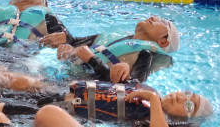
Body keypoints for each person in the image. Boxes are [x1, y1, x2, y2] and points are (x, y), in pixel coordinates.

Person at [0, 81, 213, 127]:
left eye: (189, 106)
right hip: (64, 95)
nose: (182, 98)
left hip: (65, 112)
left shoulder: (162, 121)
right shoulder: (149, 89)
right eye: (188, 94)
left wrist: (156, 103)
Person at [44, 15, 180, 83]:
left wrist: (93, 60)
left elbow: (131, 88)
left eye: (163, 22)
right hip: (60, 72)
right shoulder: (115, 36)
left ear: (163, 42)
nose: (153, 17)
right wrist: (66, 42)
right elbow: (75, 42)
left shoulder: (144, 54)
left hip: (79, 83)